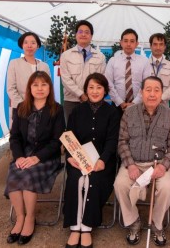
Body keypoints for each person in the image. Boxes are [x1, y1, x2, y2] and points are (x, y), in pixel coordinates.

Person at [114, 76, 170, 246]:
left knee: (167, 188)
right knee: (119, 185)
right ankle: (134, 221)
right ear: (141, 92)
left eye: (156, 90)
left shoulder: (169, 114)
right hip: (133, 162)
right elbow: (122, 142)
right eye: (148, 90)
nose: (152, 94)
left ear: (161, 93)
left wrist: (164, 166)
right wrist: (130, 164)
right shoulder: (129, 113)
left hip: (158, 164)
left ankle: (157, 224)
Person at [4, 71, 65, 245]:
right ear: (29, 88)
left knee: (28, 174)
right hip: (24, 154)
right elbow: (14, 137)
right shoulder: (22, 108)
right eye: (35, 85)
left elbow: (56, 141)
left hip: (47, 157)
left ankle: (30, 218)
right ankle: (20, 217)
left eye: (44, 84)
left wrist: (37, 157)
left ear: (49, 88)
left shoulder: (57, 109)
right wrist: (19, 157)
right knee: (15, 171)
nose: (40, 88)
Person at [63, 73, 120, 248]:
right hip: (78, 159)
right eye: (91, 87)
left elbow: (112, 140)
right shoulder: (77, 111)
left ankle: (86, 227)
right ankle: (75, 226)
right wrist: (70, 157)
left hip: (103, 161)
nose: (95, 91)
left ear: (105, 90)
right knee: (77, 179)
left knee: (92, 180)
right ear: (86, 90)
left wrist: (103, 160)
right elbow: (69, 137)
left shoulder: (112, 112)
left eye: (99, 87)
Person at [60, 20, 106, 122]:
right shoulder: (66, 55)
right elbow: (65, 79)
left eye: (87, 32)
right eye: (80, 32)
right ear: (76, 35)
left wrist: (90, 96)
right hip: (71, 101)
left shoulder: (100, 57)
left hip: (93, 101)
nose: (83, 34)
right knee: (71, 132)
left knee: (92, 131)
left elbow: (101, 79)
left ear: (91, 36)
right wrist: (81, 94)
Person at [105, 28, 152, 115]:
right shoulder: (113, 61)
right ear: (121, 42)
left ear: (137, 43)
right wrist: (120, 102)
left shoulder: (144, 62)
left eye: (132, 41)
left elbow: (147, 85)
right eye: (125, 41)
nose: (128, 44)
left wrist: (134, 103)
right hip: (117, 106)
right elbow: (108, 83)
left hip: (139, 105)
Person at [7, 32, 51, 121]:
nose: (29, 46)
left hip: (41, 108)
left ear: (38, 46)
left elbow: (48, 87)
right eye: (26, 42)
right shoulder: (14, 63)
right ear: (22, 45)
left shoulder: (44, 66)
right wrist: (23, 105)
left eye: (33, 43)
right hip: (20, 108)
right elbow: (11, 88)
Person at [148, 33, 170, 107]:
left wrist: (161, 98)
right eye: (155, 44)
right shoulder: (143, 65)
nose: (158, 47)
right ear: (150, 46)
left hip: (164, 105)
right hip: (146, 104)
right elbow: (139, 85)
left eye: (161, 44)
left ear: (165, 46)